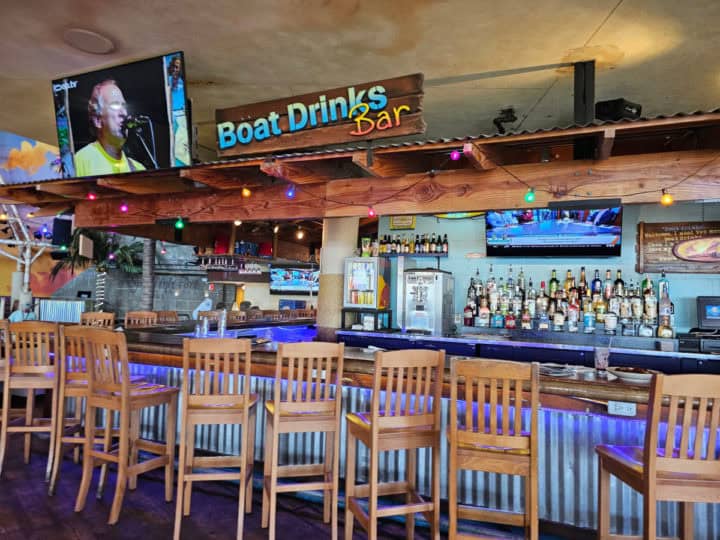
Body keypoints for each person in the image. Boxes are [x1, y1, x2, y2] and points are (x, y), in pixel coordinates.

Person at [73, 79, 146, 177]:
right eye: (115, 105)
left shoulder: (138, 169)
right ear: (98, 120)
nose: (124, 113)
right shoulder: (80, 161)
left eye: (123, 106)